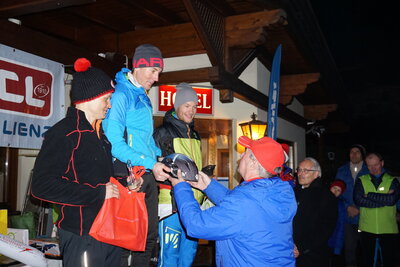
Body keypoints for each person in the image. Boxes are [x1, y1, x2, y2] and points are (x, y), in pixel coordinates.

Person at [31, 58, 121, 267]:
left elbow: (99, 179)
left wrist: (124, 185)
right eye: (107, 99)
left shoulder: (99, 134)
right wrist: (98, 193)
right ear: (90, 98)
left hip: (107, 229)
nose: (110, 104)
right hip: (82, 234)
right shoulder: (64, 132)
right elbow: (41, 186)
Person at [169, 136, 297, 266]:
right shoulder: (279, 191)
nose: (241, 154)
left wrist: (180, 187)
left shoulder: (244, 202)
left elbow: (196, 225)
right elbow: (244, 211)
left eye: (246, 152)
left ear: (254, 162)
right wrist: (208, 186)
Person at [102, 44, 171, 267]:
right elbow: (114, 143)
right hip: (126, 174)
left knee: (148, 238)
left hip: (148, 173)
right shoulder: (121, 94)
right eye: (153, 71)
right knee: (123, 240)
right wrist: (151, 162)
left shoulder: (142, 96)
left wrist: (159, 158)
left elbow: (146, 137)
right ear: (138, 66)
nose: (156, 77)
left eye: (159, 72)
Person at [153, 83, 203, 266]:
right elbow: (154, 168)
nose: (192, 111)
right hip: (171, 204)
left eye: (195, 106)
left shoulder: (195, 135)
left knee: (188, 256)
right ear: (177, 106)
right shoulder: (162, 132)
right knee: (169, 257)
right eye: (187, 106)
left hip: (193, 205)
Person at [353, 153, 400, 267]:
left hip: (388, 228)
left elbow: (391, 200)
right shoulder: (361, 180)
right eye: (369, 166)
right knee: (367, 262)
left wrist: (368, 195)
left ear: (382, 163)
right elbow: (358, 200)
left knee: (390, 262)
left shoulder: (393, 180)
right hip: (366, 228)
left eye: (376, 165)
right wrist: (383, 199)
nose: (373, 168)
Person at [293, 157, 338, 267]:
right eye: (299, 170)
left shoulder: (326, 196)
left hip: (313, 254)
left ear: (317, 174)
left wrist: (302, 247)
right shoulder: (294, 192)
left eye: (306, 170)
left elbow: (326, 228)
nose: (301, 173)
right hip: (291, 250)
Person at [335, 144, 369, 266]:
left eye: (357, 152)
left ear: (362, 155)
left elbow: (372, 193)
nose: (354, 154)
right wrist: (347, 206)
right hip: (348, 216)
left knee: (367, 247)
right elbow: (336, 193)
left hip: (366, 216)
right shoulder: (342, 171)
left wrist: (360, 208)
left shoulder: (368, 170)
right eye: (351, 152)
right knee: (349, 248)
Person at [328, 179, 347, 265]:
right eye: (334, 188)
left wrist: (337, 248)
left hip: (332, 241)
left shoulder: (340, 205)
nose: (335, 191)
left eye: (338, 190)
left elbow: (341, 227)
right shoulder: (321, 199)